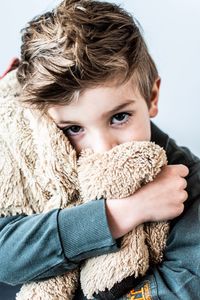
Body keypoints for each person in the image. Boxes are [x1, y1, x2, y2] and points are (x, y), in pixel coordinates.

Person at [0, 0, 199, 299]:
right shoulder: (29, 167)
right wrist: (119, 215)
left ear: (152, 97)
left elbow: (183, 286)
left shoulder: (188, 182)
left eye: (119, 117)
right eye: (73, 129)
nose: (103, 149)